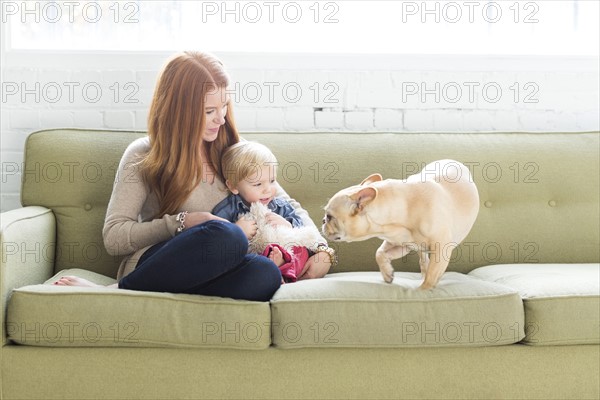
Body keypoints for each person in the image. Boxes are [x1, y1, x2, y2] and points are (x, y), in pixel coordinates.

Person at [54, 51, 331, 301]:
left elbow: (286, 204)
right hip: (158, 262)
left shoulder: (234, 152)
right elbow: (114, 237)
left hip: (217, 269)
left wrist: (322, 251)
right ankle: (117, 292)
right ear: (180, 110)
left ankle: (160, 292)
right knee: (228, 235)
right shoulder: (144, 154)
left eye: (224, 107)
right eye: (209, 111)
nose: (220, 119)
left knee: (266, 273)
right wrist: (182, 223)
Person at [212, 141, 336, 283]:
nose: (268, 189)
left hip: (287, 251)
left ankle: (283, 267)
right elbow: (217, 237)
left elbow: (303, 231)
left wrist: (287, 225)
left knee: (300, 251)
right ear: (233, 186)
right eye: (258, 184)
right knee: (244, 262)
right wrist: (237, 230)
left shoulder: (280, 206)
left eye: (272, 181)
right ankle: (275, 271)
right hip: (253, 259)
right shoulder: (227, 210)